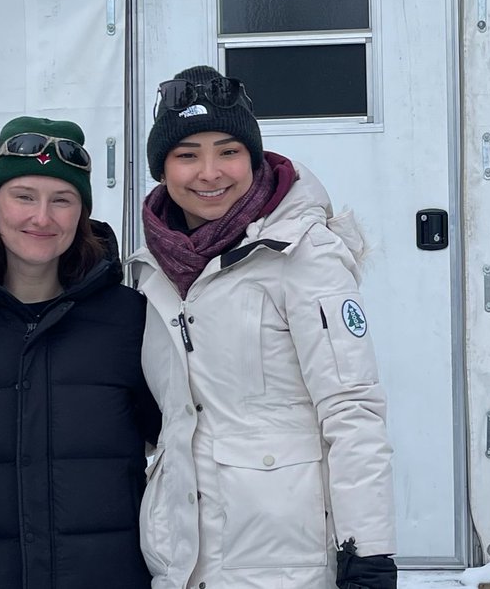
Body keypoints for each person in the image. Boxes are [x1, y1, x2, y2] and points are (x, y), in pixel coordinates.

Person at [133, 65, 398, 589]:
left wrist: (368, 556)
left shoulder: (303, 254)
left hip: (283, 563)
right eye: (187, 155)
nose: (210, 172)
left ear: (252, 158)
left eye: (228, 150)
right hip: (184, 564)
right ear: (162, 169)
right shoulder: (149, 270)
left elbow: (352, 409)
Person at [0, 116, 158, 589]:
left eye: (62, 200)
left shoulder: (130, 319)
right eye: (24, 196)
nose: (42, 218)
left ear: (82, 213)